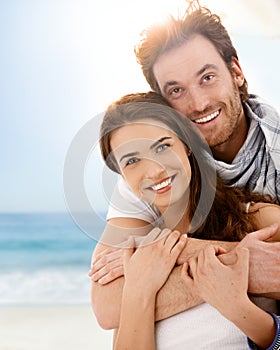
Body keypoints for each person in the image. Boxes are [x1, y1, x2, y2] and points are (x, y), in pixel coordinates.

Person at [90, 5, 280, 330]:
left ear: (236, 71)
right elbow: (109, 306)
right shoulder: (156, 172)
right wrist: (241, 263)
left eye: (207, 77)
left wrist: (154, 251)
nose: (198, 104)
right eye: (176, 90)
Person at [95, 92, 280, 349]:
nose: (153, 170)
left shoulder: (255, 221)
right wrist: (139, 290)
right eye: (132, 161)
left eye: (162, 147)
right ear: (123, 177)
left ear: (186, 144)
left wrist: (188, 251)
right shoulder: (136, 260)